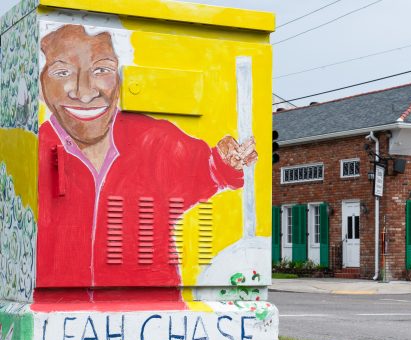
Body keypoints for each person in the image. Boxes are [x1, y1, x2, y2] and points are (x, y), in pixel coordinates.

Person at [37, 24, 258, 287]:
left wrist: (227, 162)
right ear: (41, 87)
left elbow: (207, 169)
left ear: (119, 81)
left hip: (156, 314)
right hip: (59, 309)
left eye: (102, 70)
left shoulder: (154, 140)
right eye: (62, 72)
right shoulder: (32, 149)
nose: (85, 92)